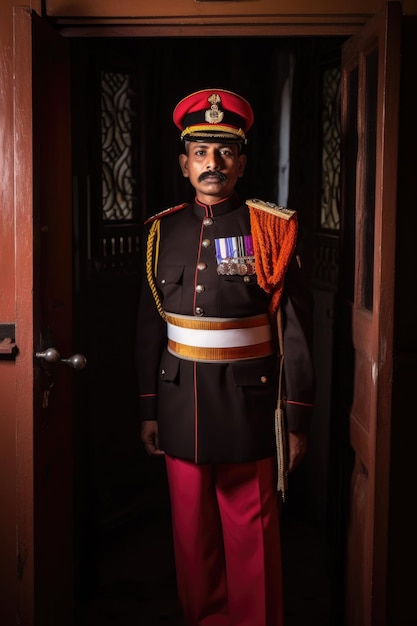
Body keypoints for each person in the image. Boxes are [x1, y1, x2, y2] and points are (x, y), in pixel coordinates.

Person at [136, 88, 314, 626]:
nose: (212, 163)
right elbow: (150, 327)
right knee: (192, 539)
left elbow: (297, 331)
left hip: (251, 401)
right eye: (200, 152)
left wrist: (298, 417)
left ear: (241, 162)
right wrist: (148, 407)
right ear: (183, 163)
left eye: (225, 151)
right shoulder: (161, 230)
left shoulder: (271, 229)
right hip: (179, 401)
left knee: (251, 535)